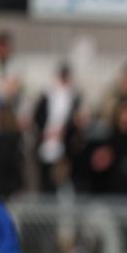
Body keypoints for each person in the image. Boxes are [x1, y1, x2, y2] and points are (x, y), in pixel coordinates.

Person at [32, 63, 83, 195]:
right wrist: (46, 133)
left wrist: (63, 132)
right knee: (46, 179)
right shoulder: (47, 96)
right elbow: (38, 117)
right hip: (46, 142)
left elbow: (75, 121)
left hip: (64, 146)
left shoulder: (74, 97)